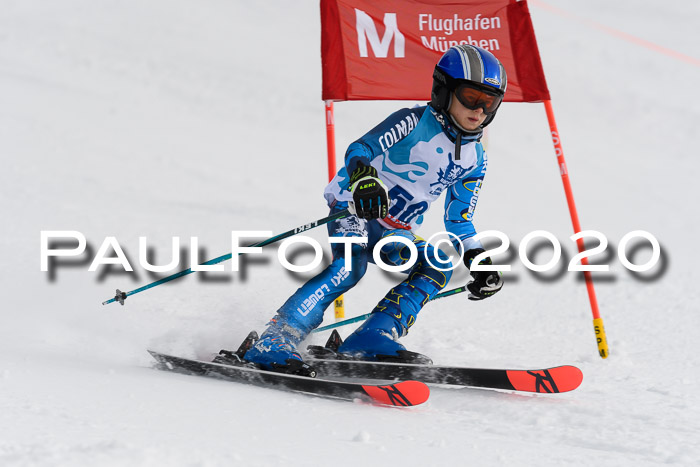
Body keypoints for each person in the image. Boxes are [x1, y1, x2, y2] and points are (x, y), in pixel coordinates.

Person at [243, 44, 506, 373]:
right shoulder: (413, 121)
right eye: (470, 97)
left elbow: (460, 221)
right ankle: (276, 339)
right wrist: (364, 178)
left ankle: (373, 336)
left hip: (395, 229)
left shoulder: (475, 159)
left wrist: (480, 263)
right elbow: (360, 148)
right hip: (354, 207)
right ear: (445, 90)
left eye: (489, 102)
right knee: (349, 266)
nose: (479, 110)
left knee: (436, 264)